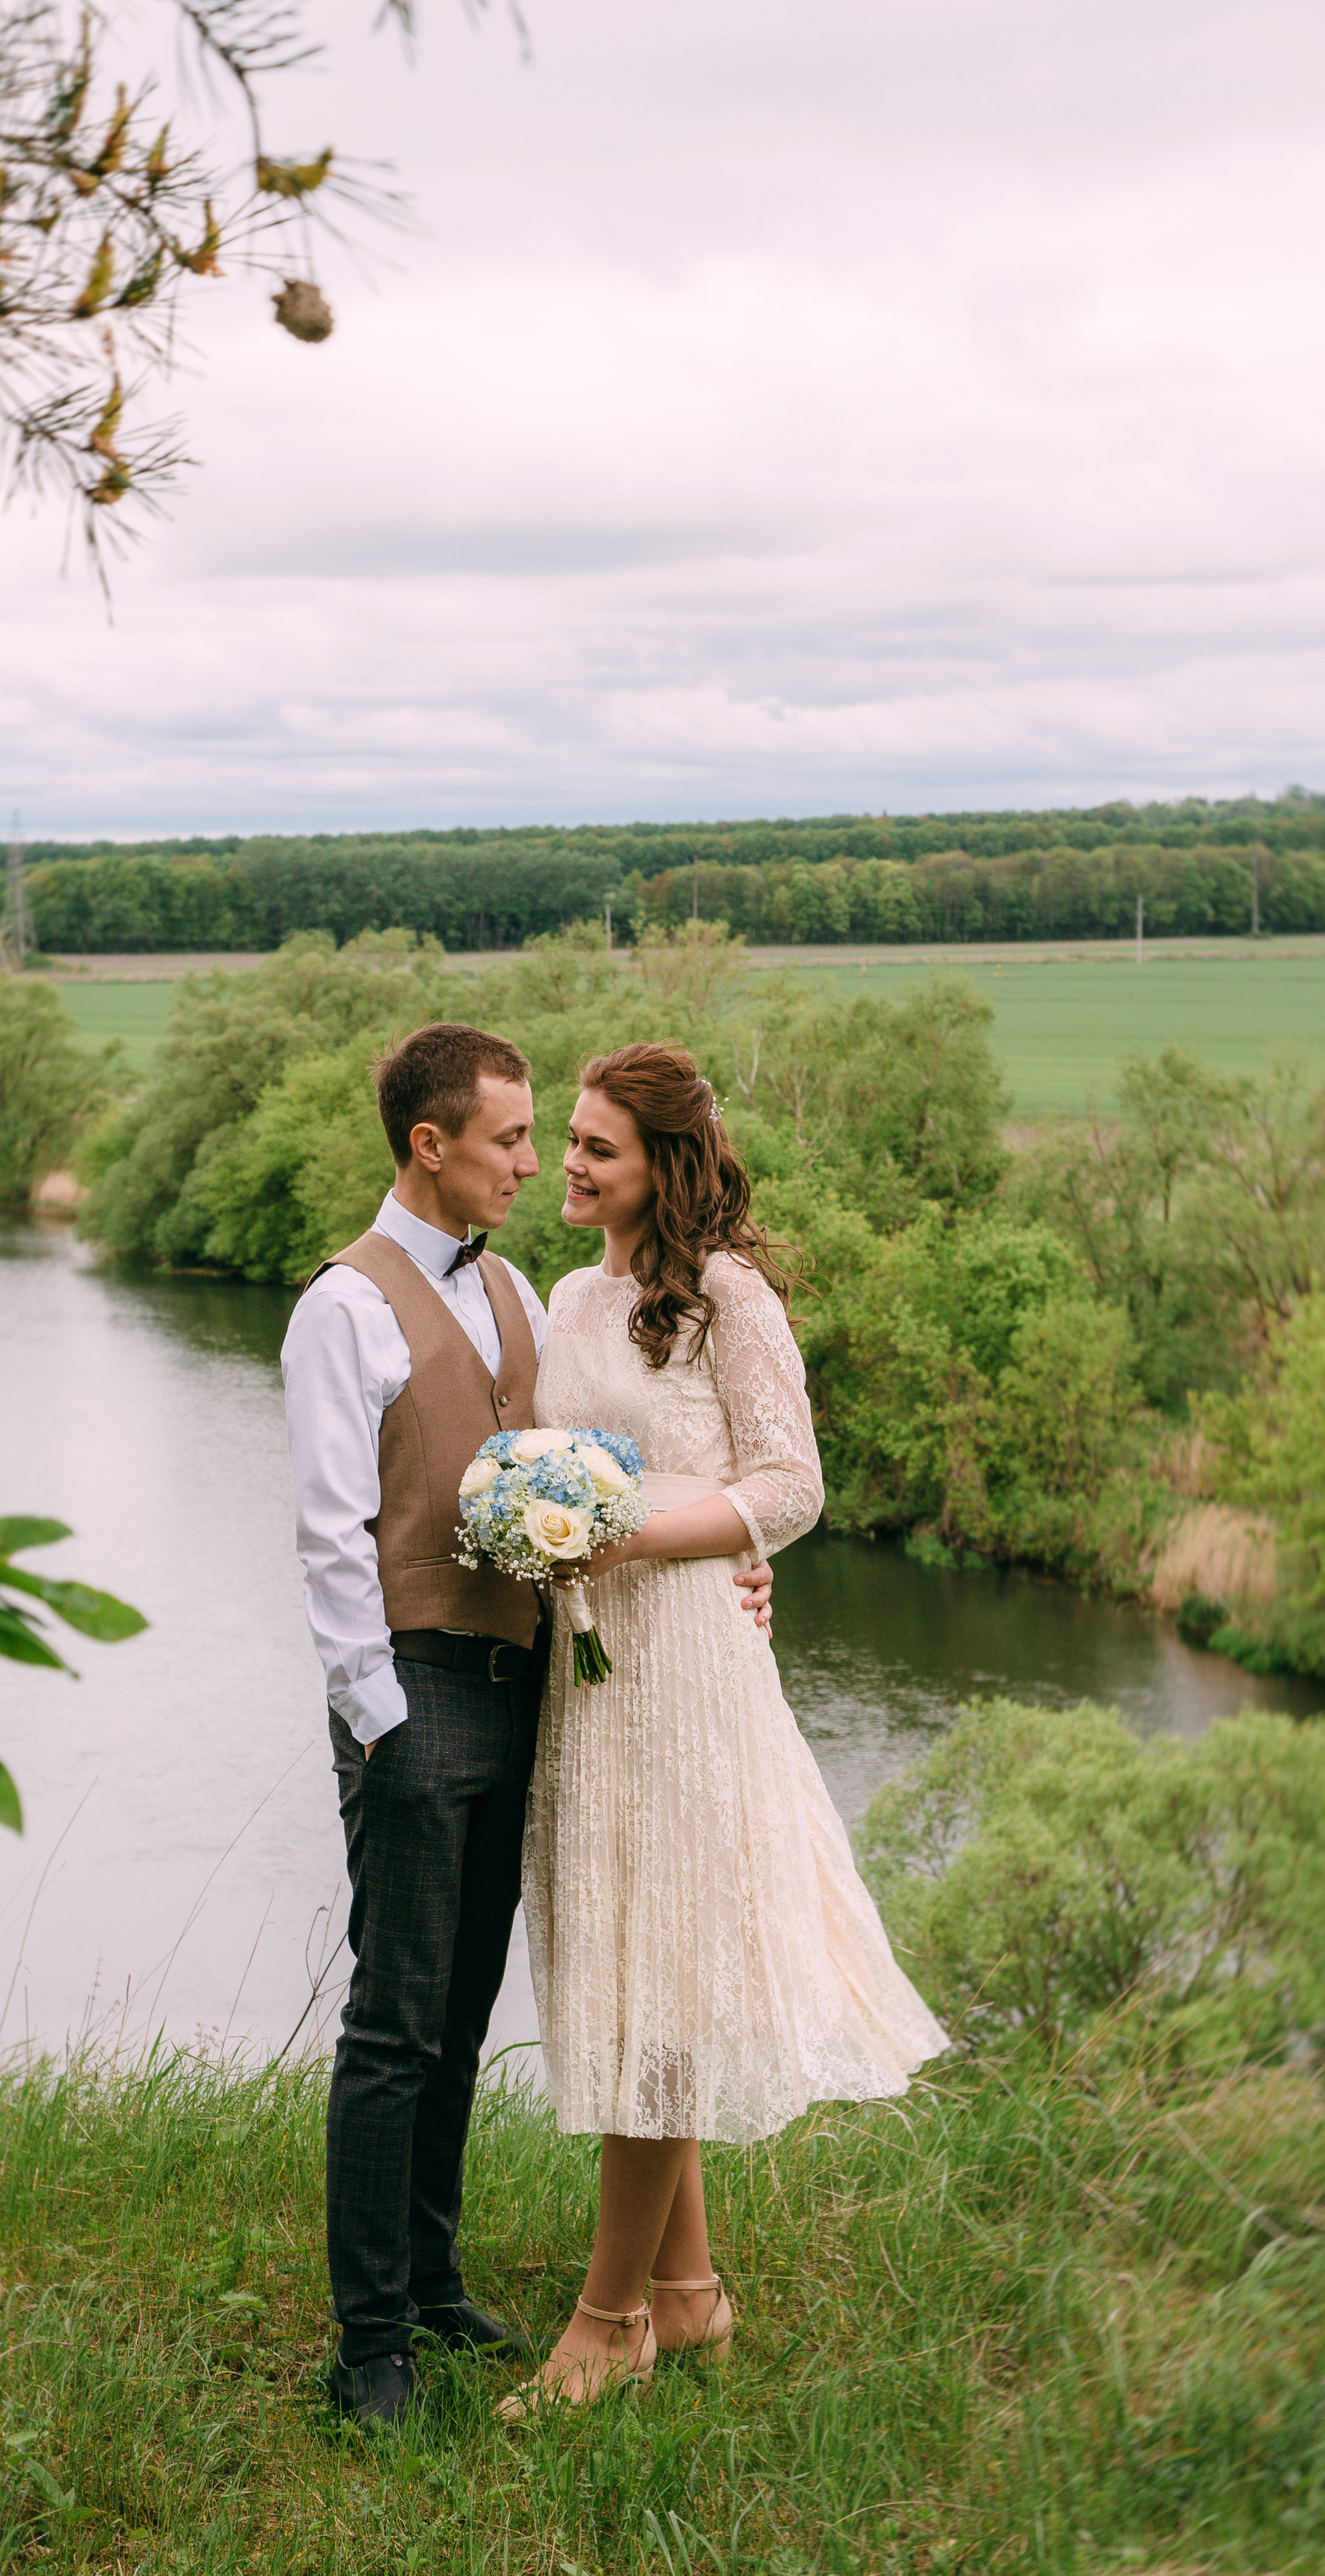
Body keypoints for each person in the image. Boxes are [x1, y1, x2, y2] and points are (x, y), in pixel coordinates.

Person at [281, 1021, 777, 2437]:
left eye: (540, 1136)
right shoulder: (343, 1307)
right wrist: (379, 1717)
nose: (527, 1160)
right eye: (509, 1138)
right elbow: (329, 1536)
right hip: (413, 1688)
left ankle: (434, 2288)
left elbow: (643, 1459)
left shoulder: (516, 1289)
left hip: (527, 1687)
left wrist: (734, 1554)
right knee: (394, 2022)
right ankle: (371, 2342)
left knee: (456, 2018)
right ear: (428, 1144)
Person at [508, 1040, 948, 2417]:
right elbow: (558, 1462)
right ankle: (691, 2294)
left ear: (665, 1166)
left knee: (668, 1971)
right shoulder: (572, 1297)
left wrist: (632, 1536)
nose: (569, 1164)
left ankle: (610, 2322)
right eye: (569, 1139)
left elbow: (792, 1487)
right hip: (591, 1667)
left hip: (687, 1665)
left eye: (598, 1148)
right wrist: (541, 1522)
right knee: (631, 1950)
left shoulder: (729, 1298)